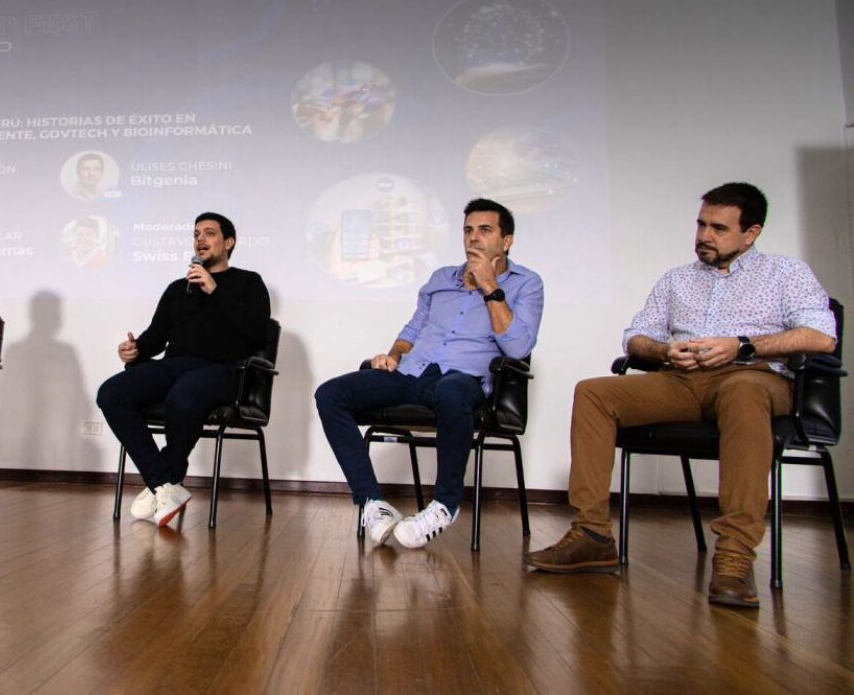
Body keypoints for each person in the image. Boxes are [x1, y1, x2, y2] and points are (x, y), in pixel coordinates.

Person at [524, 182, 836, 608]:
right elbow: (636, 337)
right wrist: (663, 351)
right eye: (701, 224)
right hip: (684, 380)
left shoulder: (786, 273)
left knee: (743, 392)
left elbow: (821, 336)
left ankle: (735, 553)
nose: (705, 236)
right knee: (594, 393)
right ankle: (592, 534)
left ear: (751, 233)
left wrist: (742, 345)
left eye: (719, 229)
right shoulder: (677, 279)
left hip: (755, 377)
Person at [315, 198, 544, 548]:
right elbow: (412, 331)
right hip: (413, 372)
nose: (474, 238)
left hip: (464, 379)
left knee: (452, 393)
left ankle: (444, 506)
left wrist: (490, 288)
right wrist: (393, 355)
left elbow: (517, 348)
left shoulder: (526, 284)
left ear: (507, 241)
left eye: (485, 230)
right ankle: (372, 502)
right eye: (468, 230)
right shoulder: (441, 278)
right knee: (330, 394)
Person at [97, 212, 270, 526]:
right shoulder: (179, 288)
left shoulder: (249, 283)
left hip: (224, 371)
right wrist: (135, 350)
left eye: (209, 233)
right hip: (174, 368)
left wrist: (215, 290)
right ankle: (164, 484)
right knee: (111, 392)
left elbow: (257, 333)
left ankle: (163, 481)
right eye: (196, 234)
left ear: (229, 243)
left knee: (185, 392)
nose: (200, 239)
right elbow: (155, 337)